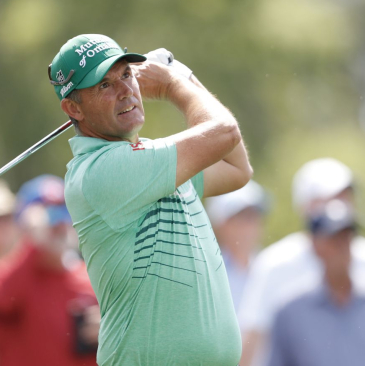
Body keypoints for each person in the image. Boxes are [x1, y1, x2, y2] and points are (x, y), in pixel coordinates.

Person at [52, 34, 253, 365]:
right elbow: (225, 132)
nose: (125, 90)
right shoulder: (102, 171)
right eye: (104, 85)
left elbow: (236, 167)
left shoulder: (149, 160)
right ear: (74, 108)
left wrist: (185, 77)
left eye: (126, 75)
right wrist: (175, 84)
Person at [238, 158, 365, 366]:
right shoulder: (275, 264)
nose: (340, 204)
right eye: (330, 197)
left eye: (345, 196)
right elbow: (252, 339)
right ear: (306, 204)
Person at [0, 175, 99, 366]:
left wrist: (110, 332)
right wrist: (34, 242)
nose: (59, 224)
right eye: (49, 215)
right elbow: (0, 303)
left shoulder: (92, 277)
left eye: (64, 211)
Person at [268, 199, 365, 366]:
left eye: (347, 237)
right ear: (315, 245)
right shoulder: (291, 313)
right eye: (334, 238)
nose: (342, 246)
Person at [206, 180, 269, 311]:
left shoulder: (271, 266)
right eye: (241, 217)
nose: (250, 225)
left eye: (254, 216)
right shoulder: (206, 275)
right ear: (221, 225)